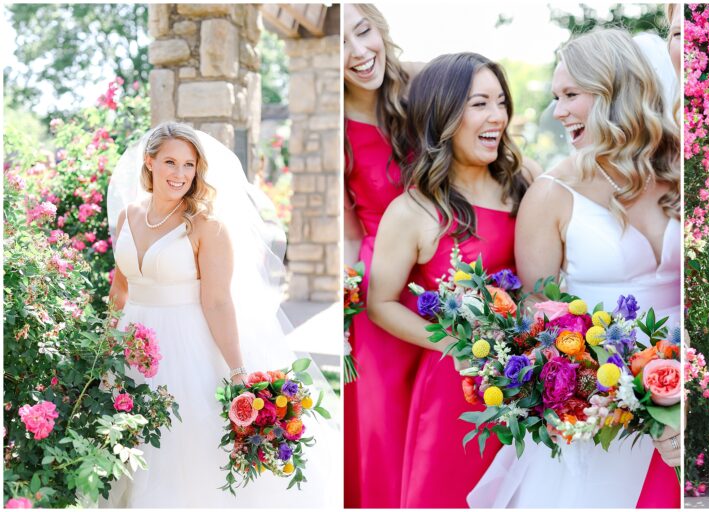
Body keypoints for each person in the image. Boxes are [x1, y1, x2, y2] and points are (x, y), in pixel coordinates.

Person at [469, 29, 681, 508]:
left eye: (571, 95)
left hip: (687, 383)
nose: (558, 111)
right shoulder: (551, 193)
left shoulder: (679, 167)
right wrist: (593, 384)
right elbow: (535, 311)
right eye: (555, 98)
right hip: (603, 406)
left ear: (613, 89)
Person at [103, 122, 340, 507]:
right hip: (130, 346)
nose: (180, 174)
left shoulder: (206, 227)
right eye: (170, 162)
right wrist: (101, 344)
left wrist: (237, 372)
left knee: (185, 450)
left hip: (184, 347)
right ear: (149, 163)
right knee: (131, 446)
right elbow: (120, 288)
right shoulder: (128, 216)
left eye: (189, 165)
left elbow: (217, 302)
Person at [367, 52, 537, 508]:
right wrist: (458, 345)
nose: (497, 116)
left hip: (527, 380)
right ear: (443, 115)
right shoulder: (413, 210)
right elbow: (380, 303)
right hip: (453, 393)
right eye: (479, 103)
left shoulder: (525, 184)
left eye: (501, 102)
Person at [342, 4, 424, 507]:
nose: (358, 54)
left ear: (380, 26)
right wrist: (346, 304)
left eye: (363, 32)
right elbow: (349, 234)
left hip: (452, 267)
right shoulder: (336, 127)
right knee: (384, 421)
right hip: (381, 282)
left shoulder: (425, 85)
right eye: (340, 47)